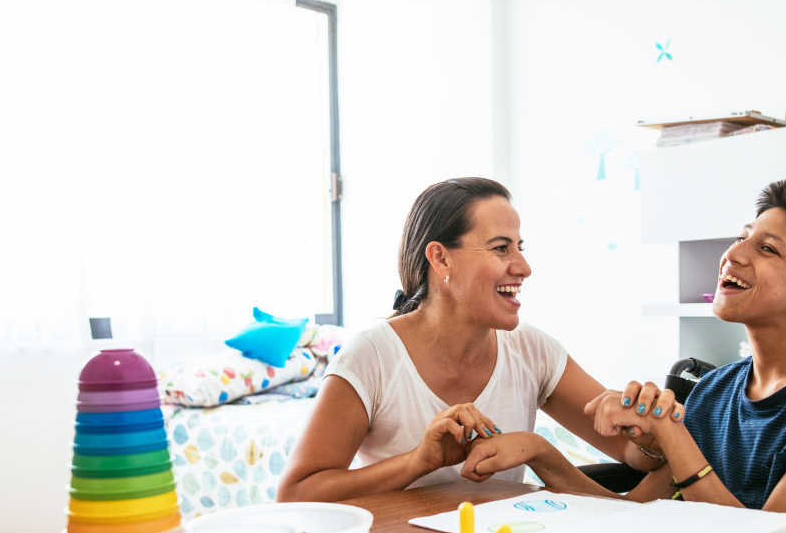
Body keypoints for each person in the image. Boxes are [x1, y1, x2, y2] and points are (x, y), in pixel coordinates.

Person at [463, 179, 786, 533]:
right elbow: (630, 513)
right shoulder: (715, 391)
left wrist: (670, 433)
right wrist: (541, 452)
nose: (733, 254)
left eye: (767, 249)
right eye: (742, 238)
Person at [277, 177, 669, 502]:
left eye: (520, 247)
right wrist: (418, 461)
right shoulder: (372, 356)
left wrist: (645, 433)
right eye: (501, 248)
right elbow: (295, 494)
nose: (524, 267)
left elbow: (632, 455)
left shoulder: (533, 351)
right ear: (441, 259)